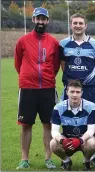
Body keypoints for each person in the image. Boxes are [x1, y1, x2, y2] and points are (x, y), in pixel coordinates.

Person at [14, 7, 60, 169]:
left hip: (47, 88)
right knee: (26, 125)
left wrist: (46, 77)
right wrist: (28, 76)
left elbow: (55, 67)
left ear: (47, 21)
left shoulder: (54, 42)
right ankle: (24, 159)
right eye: (37, 18)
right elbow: (18, 64)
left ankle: (48, 158)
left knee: (48, 124)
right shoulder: (23, 41)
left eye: (43, 19)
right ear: (33, 20)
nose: (40, 22)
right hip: (28, 89)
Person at [59, 13, 95, 165]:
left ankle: (94, 154)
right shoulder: (64, 43)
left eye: (80, 23)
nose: (78, 25)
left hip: (90, 89)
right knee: (67, 119)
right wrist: (71, 82)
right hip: (70, 90)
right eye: (75, 23)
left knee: (94, 119)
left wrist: (89, 79)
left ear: (86, 25)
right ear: (71, 25)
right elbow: (63, 64)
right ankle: (67, 155)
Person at [49, 80, 95, 171]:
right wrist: (62, 140)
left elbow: (91, 130)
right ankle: (66, 161)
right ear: (67, 92)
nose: (75, 95)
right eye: (72, 91)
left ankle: (86, 161)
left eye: (77, 92)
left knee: (92, 143)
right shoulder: (58, 108)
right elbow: (54, 131)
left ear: (81, 93)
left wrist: (80, 140)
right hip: (67, 139)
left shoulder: (91, 107)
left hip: (84, 140)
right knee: (53, 143)